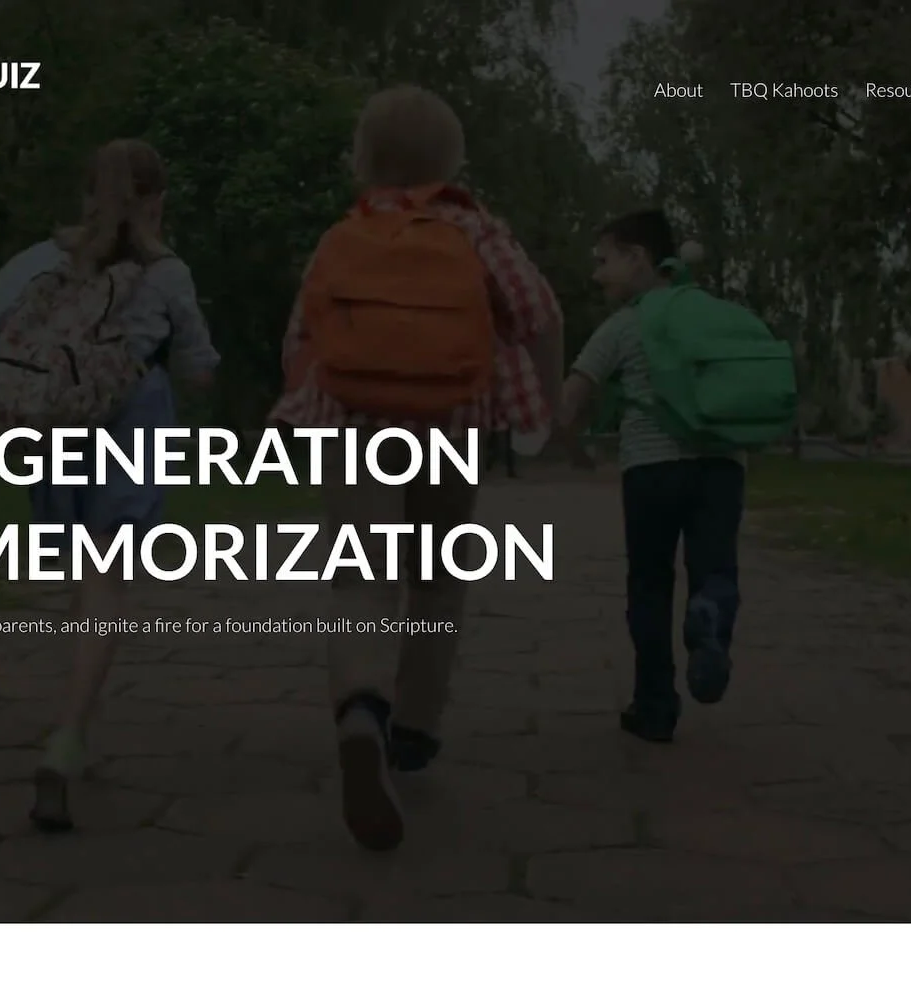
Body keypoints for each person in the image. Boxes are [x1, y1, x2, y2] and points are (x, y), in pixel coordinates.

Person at [271, 85, 562, 850]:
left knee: (359, 579)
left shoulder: (346, 234)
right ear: (452, 161)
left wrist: (301, 414)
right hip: (449, 421)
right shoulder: (476, 229)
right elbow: (539, 315)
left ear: (362, 161)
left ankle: (359, 710)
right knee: (436, 575)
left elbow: (301, 335)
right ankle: (415, 728)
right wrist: (545, 409)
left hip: (352, 421)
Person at [0, 139, 219, 832]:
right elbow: (197, 363)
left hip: (54, 427)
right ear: (157, 201)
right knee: (106, 585)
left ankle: (82, 720)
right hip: (129, 422)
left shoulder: (45, 257)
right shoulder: (166, 271)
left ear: (86, 195)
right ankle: (68, 737)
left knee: (84, 580)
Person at [556, 212, 747, 743]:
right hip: (722, 468)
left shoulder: (625, 324)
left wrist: (575, 451)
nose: (597, 275)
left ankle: (655, 706)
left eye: (604, 261)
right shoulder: (716, 315)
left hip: (651, 470)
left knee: (650, 584)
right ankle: (710, 615)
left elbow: (569, 402)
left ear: (638, 258)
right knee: (715, 569)